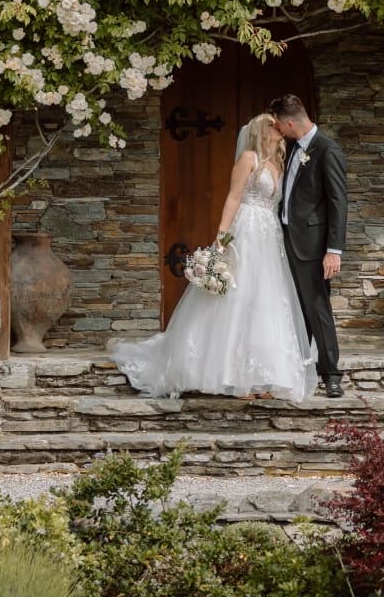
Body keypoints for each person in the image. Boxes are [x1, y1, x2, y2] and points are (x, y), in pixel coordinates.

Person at [109, 113, 317, 402]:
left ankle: (264, 377)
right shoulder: (248, 159)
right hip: (246, 230)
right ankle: (235, 377)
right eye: (271, 124)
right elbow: (233, 197)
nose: (277, 127)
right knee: (239, 296)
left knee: (267, 300)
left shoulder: (279, 163)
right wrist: (222, 236)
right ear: (259, 130)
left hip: (270, 237)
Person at [269, 94, 346, 399]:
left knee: (317, 308)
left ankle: (331, 374)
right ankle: (298, 368)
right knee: (294, 307)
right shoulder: (290, 149)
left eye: (279, 124)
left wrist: (333, 250)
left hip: (312, 246)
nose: (278, 130)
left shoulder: (327, 150)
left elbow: (338, 203)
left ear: (290, 123)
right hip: (285, 240)